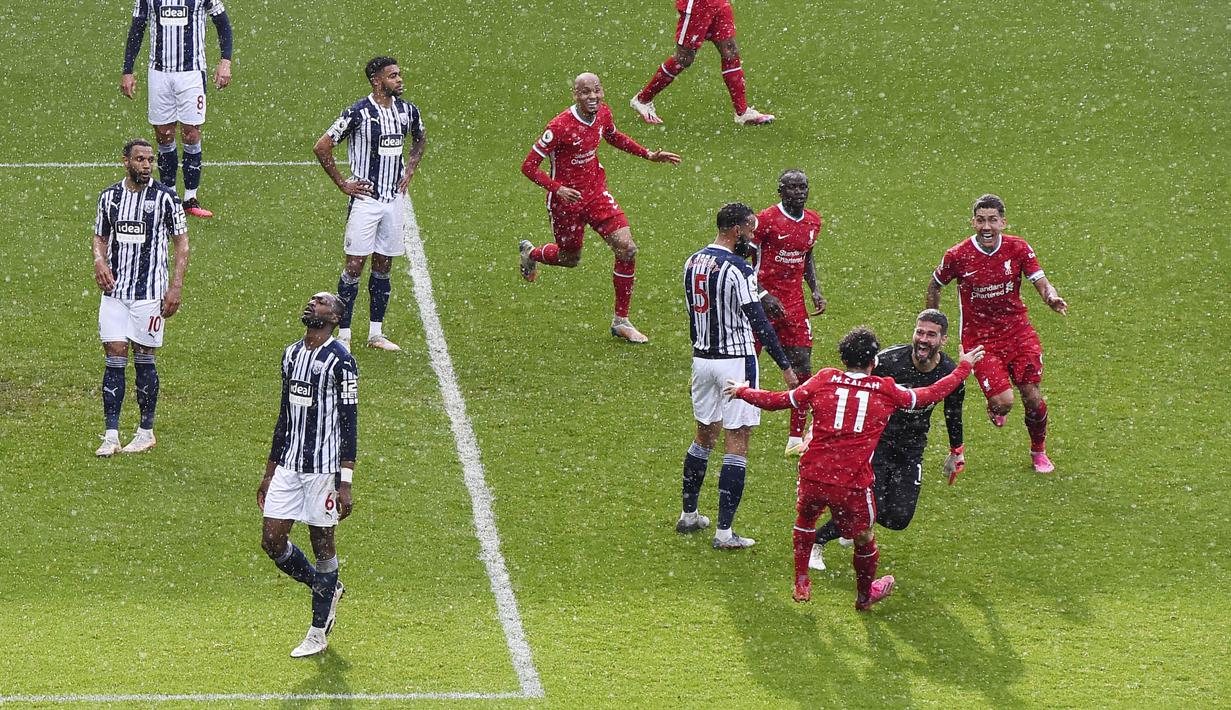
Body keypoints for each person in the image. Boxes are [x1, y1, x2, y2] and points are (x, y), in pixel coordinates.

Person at [725, 327, 983, 609]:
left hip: (812, 474)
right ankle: (864, 597)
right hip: (851, 483)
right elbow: (929, 394)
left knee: (805, 522)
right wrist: (963, 368)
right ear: (873, 361)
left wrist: (742, 391)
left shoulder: (824, 378)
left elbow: (779, 401)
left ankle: (801, 580)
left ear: (843, 358)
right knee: (865, 537)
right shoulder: (885, 389)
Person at [519, 72, 680, 344]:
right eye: (585, 92)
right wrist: (557, 188)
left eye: (596, 91)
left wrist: (648, 154)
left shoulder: (603, 113)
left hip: (596, 195)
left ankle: (621, 321)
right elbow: (528, 166)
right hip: (566, 203)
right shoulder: (559, 126)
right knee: (570, 259)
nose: (592, 96)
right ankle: (531, 252)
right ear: (575, 95)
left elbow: (613, 136)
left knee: (627, 249)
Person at [679, 203, 799, 550]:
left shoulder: (692, 262)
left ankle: (689, 515)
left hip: (702, 359)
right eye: (749, 231)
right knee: (737, 444)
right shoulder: (739, 268)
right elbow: (759, 321)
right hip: (735, 363)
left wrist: (698, 357)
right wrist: (786, 368)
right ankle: (724, 533)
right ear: (736, 230)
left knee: (703, 437)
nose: (752, 238)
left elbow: (692, 317)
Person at [808, 309, 966, 571]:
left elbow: (953, 411)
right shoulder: (888, 361)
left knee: (899, 518)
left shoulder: (949, 373)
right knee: (874, 503)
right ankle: (818, 540)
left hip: (912, 448)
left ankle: (856, 526)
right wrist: (819, 428)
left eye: (931, 335)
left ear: (943, 340)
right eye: (919, 332)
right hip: (877, 443)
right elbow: (851, 391)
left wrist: (956, 450)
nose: (923, 339)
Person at [926, 194, 1068, 473]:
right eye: (981, 220)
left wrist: (1051, 297)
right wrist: (933, 323)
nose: (987, 226)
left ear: (1003, 222)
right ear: (973, 222)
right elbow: (935, 285)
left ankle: (1038, 450)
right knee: (1004, 403)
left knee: (1032, 397)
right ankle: (996, 408)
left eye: (993, 220)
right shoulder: (958, 255)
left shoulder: (1018, 248)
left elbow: (1040, 280)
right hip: (980, 339)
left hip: (1018, 332)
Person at [257, 292, 357, 658]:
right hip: (288, 466)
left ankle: (318, 632)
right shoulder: (290, 355)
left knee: (322, 546)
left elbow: (349, 422)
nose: (311, 304)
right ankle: (326, 587)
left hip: (322, 472)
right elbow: (284, 416)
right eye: (311, 300)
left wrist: (345, 482)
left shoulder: (342, 361)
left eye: (321, 302)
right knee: (271, 541)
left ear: (334, 316)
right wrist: (269, 472)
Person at [314, 56, 426, 353]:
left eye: (400, 74)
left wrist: (410, 169)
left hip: (394, 201)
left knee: (383, 266)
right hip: (365, 201)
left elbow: (420, 139)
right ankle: (344, 335)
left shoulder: (407, 111)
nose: (400, 80)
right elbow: (322, 146)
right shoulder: (358, 113)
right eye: (393, 76)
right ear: (377, 81)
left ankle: (376, 334)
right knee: (354, 266)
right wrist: (342, 184)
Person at [92, 139, 190, 457]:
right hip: (115, 294)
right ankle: (111, 434)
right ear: (126, 162)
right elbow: (100, 236)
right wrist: (99, 261)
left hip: (150, 294)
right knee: (114, 357)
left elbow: (182, 244)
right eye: (140, 159)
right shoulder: (110, 198)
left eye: (150, 160)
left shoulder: (165, 198)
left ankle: (146, 430)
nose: (147, 165)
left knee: (144, 358)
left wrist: (175, 287)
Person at [120, 0, 234, 218]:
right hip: (159, 73)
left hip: (191, 73)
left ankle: (190, 198)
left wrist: (225, 61)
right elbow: (137, 26)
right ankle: (170, 196)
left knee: (191, 133)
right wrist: (128, 70)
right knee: (164, 134)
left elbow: (222, 22)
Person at [750, 169, 826, 455]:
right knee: (747, 365)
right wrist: (761, 293)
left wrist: (815, 289)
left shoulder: (813, 221)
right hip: (759, 304)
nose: (799, 192)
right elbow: (741, 257)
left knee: (803, 368)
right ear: (779, 191)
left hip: (793, 306)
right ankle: (736, 421)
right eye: (792, 188)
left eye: (803, 187)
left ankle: (795, 438)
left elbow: (806, 254)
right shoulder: (766, 220)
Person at [629, 0, 773, 126]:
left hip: (717, 2)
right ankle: (643, 100)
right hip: (697, 4)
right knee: (684, 58)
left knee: (730, 50)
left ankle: (742, 112)